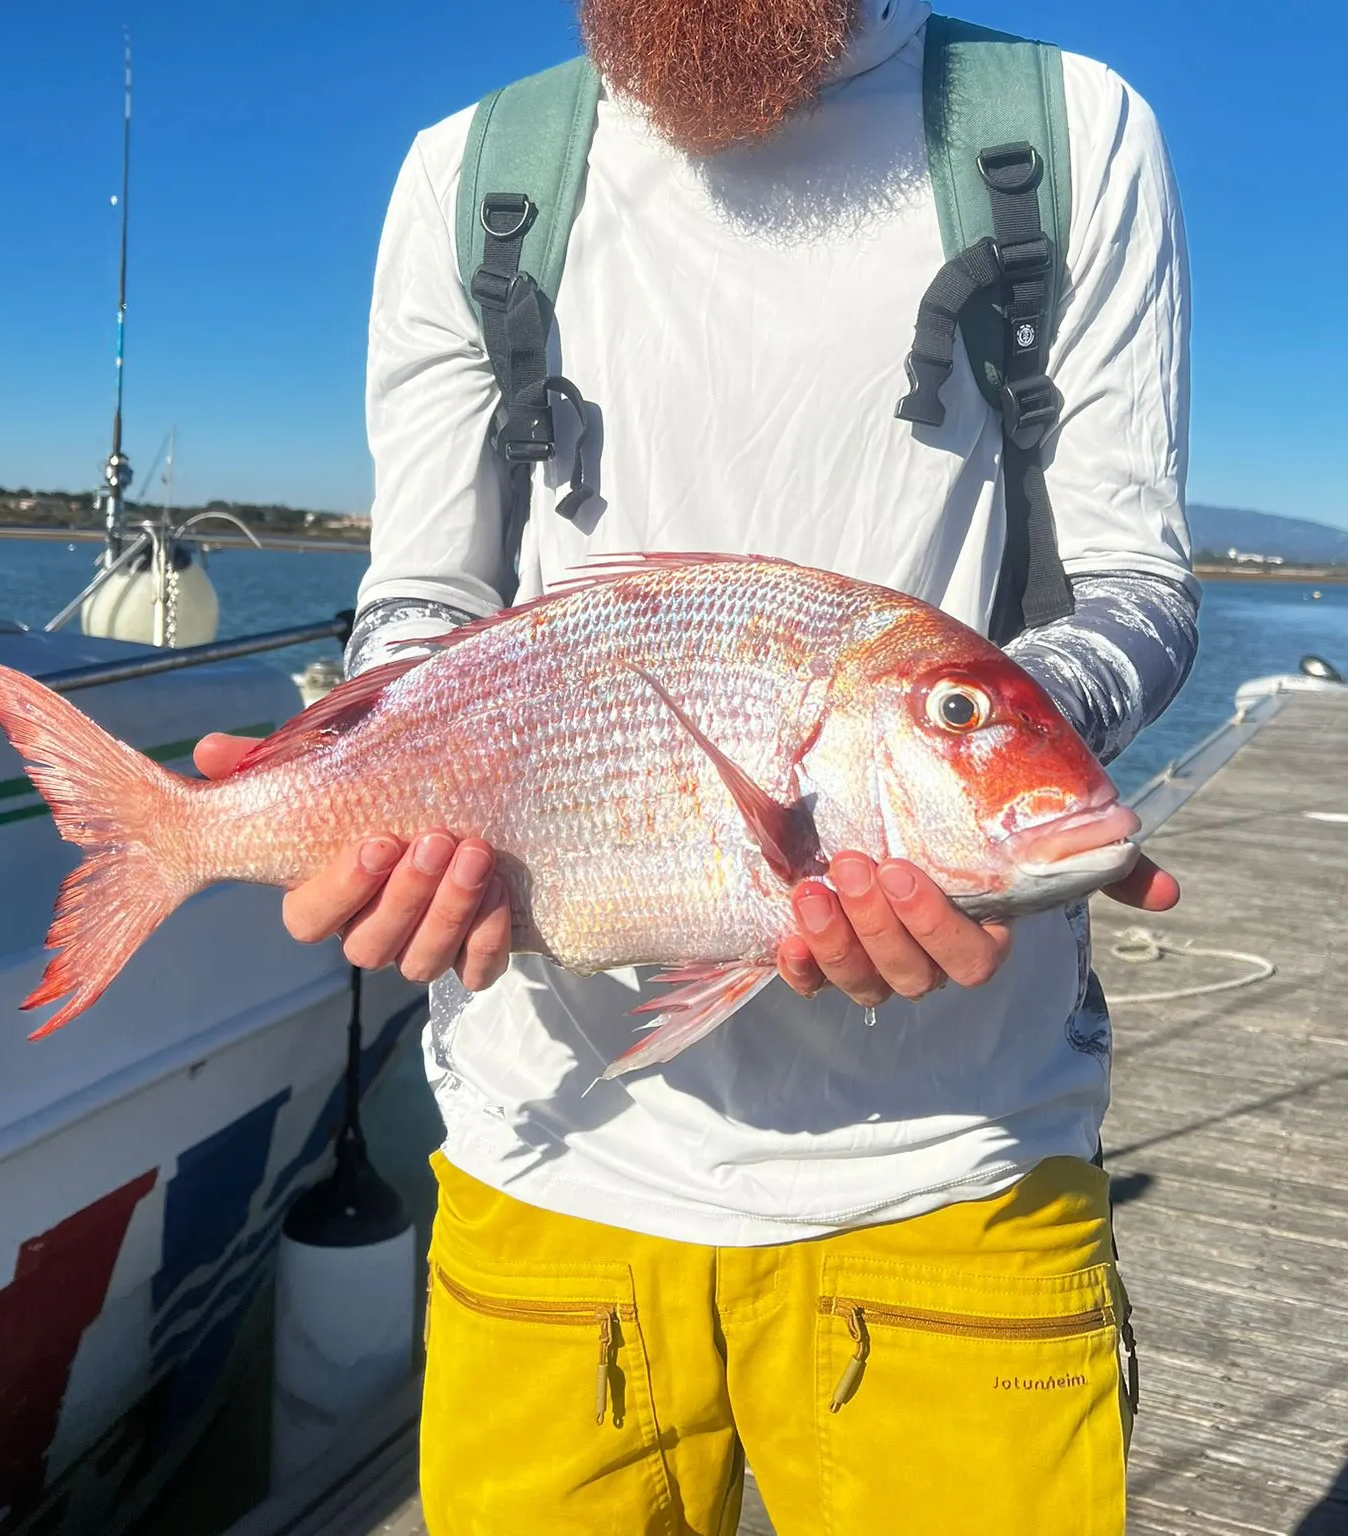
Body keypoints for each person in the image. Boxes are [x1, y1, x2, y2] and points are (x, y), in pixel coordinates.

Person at [199, 2, 1196, 1529]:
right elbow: (429, 592)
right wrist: (364, 780)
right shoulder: (473, 171)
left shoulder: (1058, 129)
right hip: (547, 1167)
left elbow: (1133, 585)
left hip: (956, 1168)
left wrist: (983, 767)